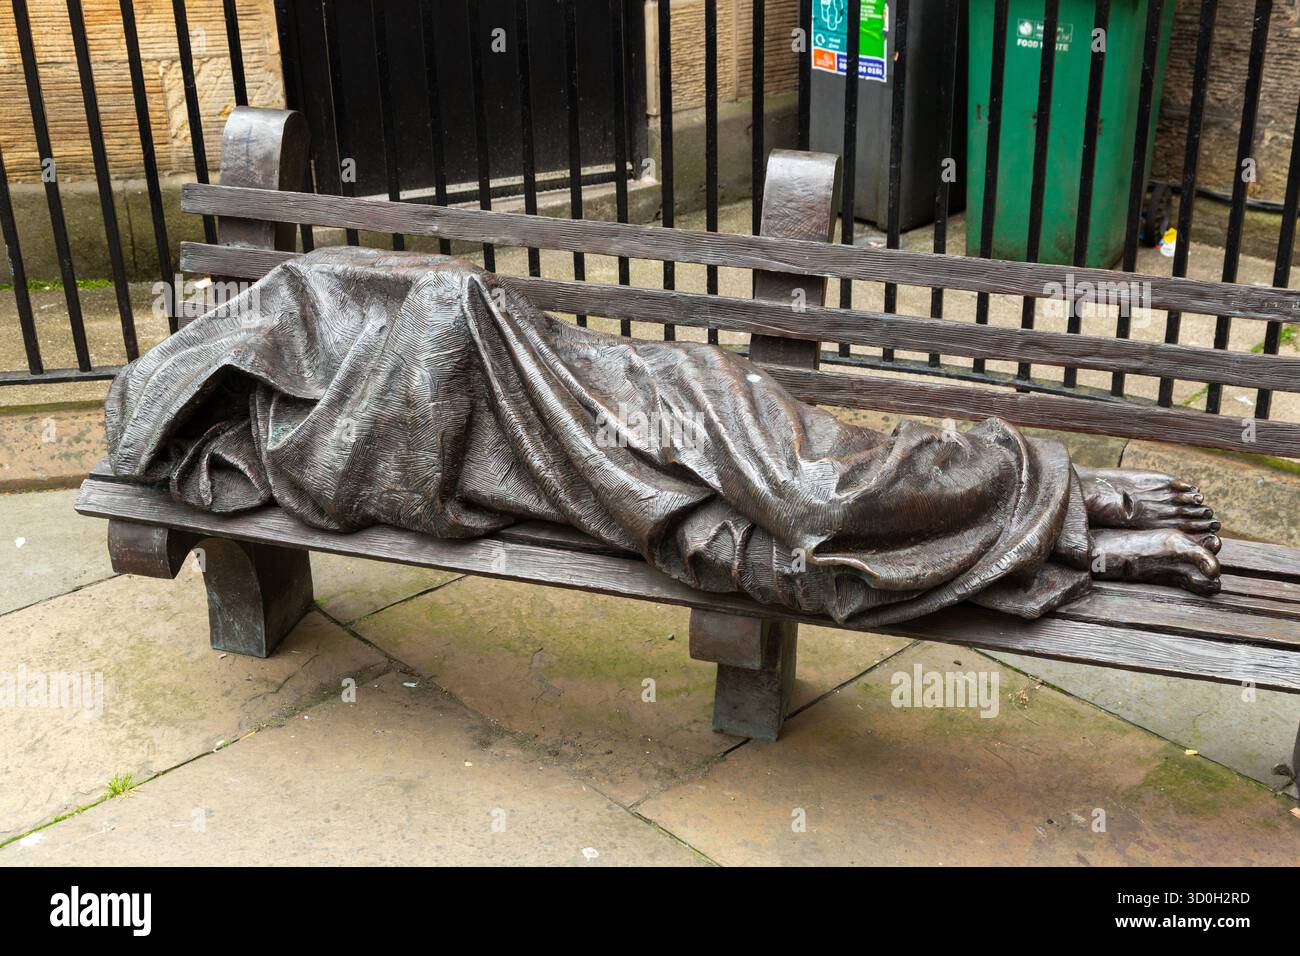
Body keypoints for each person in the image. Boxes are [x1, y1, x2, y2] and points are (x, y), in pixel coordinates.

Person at [106, 247, 1220, 628]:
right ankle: (1070, 549)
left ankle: (1055, 491)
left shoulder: (306, 300)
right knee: (774, 563)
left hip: (633, 398)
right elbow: (379, 481)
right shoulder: (278, 450)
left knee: (813, 486)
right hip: (574, 488)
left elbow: (456, 308)